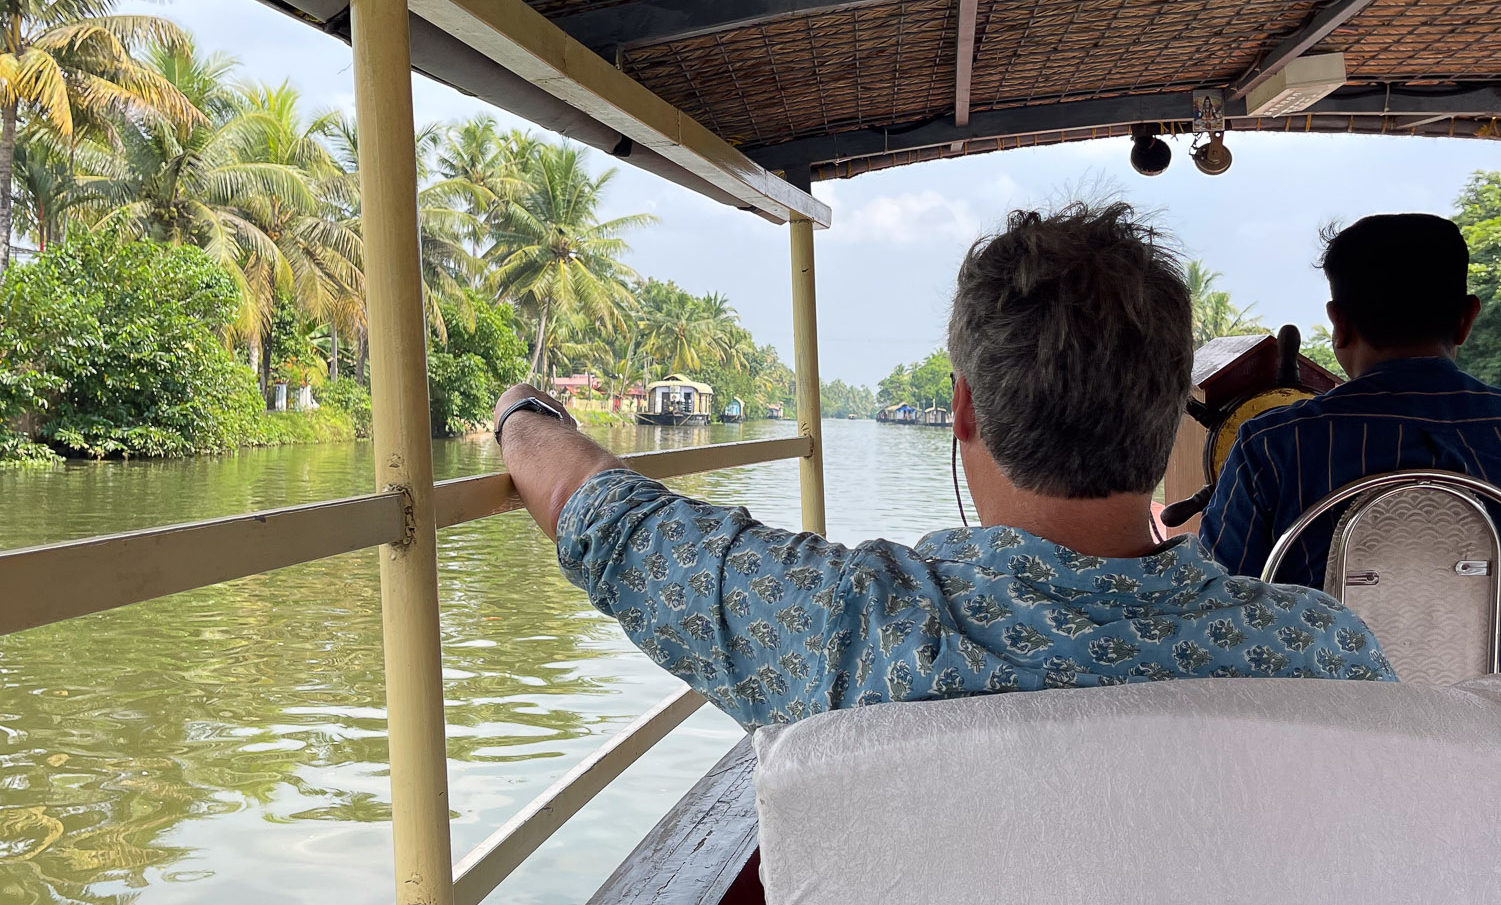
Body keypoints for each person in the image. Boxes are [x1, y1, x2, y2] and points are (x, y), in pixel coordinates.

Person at [495, 203, 1391, 728]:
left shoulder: (843, 630)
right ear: (1169, 417)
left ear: (961, 408)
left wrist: (523, 415)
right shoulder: (1323, 654)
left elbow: (610, 521)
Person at [1201, 212, 1501, 588]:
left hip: (1313, 650)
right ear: (1466, 319)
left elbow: (1218, 599)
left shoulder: (1271, 445)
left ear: (1339, 324)